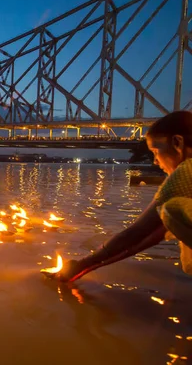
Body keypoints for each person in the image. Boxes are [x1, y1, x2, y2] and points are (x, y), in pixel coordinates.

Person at [49, 110, 192, 282]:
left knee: (171, 209)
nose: (155, 161)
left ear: (177, 142)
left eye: (155, 151)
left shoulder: (187, 171)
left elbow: (135, 234)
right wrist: (81, 268)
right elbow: (150, 235)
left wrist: (80, 265)